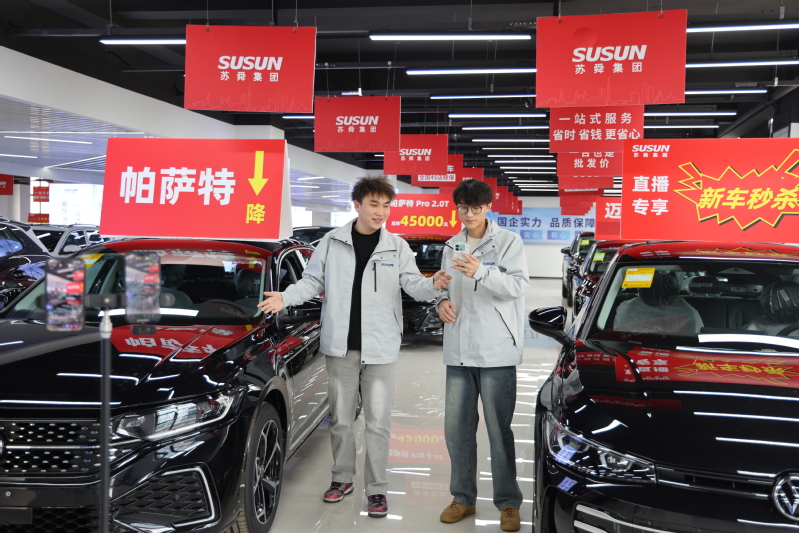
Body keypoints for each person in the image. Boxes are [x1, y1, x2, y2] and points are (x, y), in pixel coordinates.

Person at [257, 176, 451, 518]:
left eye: (386, 206)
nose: (381, 212)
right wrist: (285, 297)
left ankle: (377, 490)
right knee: (341, 420)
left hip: (381, 348)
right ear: (357, 205)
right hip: (341, 347)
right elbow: (312, 281)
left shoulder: (396, 246)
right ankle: (342, 478)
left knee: (378, 423)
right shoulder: (331, 243)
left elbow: (413, 286)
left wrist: (432, 284)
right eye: (374, 204)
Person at [435, 179, 529, 532]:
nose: (469, 214)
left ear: (488, 207)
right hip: (458, 351)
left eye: (476, 208)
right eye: (463, 208)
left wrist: (481, 271)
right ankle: (463, 497)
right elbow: (445, 285)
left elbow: (517, 286)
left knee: (498, 430)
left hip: (496, 352)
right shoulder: (452, 244)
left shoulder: (508, 242)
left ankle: (508, 503)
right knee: (457, 429)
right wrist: (441, 301)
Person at [614, 270, 703, 335]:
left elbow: (619, 339)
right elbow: (696, 340)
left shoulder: (627, 308)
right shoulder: (688, 312)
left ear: (642, 286)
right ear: (675, 286)